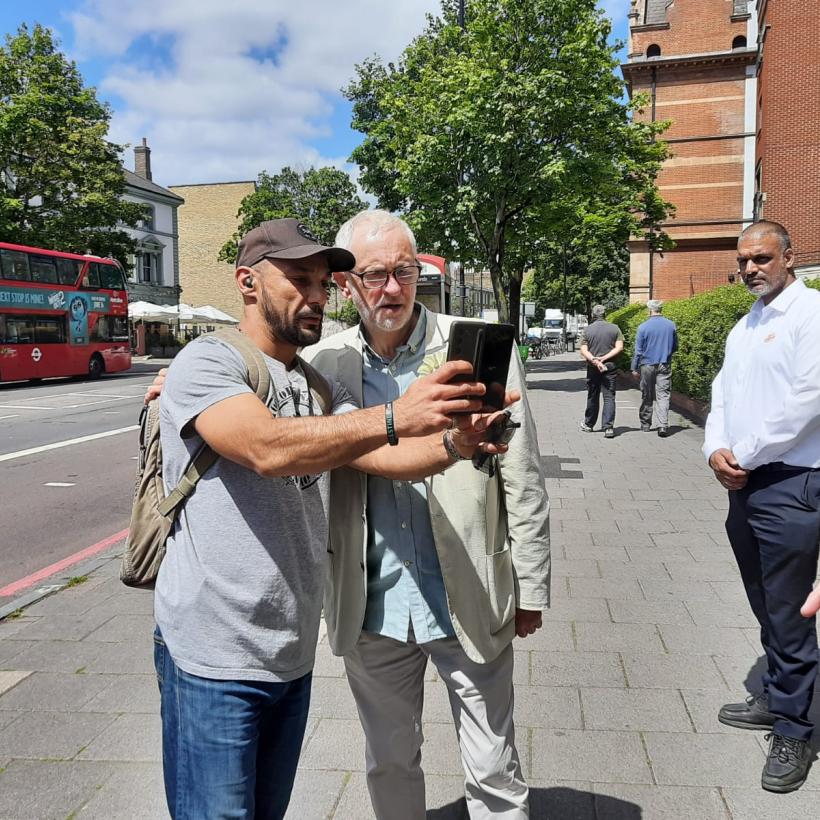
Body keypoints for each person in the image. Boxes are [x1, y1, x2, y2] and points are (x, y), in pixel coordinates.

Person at [152, 218, 505, 819]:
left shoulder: (312, 382)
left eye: (322, 281)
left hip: (288, 651)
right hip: (214, 654)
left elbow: (381, 458)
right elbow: (267, 448)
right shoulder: (206, 362)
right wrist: (394, 413)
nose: (316, 296)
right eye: (298, 280)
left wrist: (457, 446)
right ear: (246, 282)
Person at [303, 209, 550, 819]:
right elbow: (273, 425)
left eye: (405, 272)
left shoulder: (472, 347)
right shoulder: (325, 364)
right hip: (371, 604)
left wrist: (531, 586)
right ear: (345, 284)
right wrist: (187, 380)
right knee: (389, 761)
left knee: (494, 766)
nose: (392, 288)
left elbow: (521, 475)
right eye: (375, 274)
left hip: (469, 590)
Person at [703, 220, 820, 794]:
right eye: (743, 261)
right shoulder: (744, 326)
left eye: (761, 258)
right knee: (763, 601)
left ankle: (797, 729)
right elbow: (722, 395)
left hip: (792, 483)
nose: (750, 269)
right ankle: (778, 697)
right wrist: (713, 451)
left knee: (790, 612)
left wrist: (741, 453)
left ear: (789, 257)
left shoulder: (811, 316)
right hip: (743, 485)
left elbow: (807, 401)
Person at [630, 299, 678, 437]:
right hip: (665, 363)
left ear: (650, 310)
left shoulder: (643, 327)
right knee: (663, 395)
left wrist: (634, 367)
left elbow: (638, 350)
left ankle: (645, 424)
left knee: (647, 394)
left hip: (647, 364)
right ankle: (662, 425)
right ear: (660, 309)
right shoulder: (671, 325)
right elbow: (675, 346)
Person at [578, 304, 624, 438]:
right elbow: (619, 347)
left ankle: (589, 424)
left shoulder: (588, 330)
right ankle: (608, 427)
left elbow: (584, 349)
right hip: (609, 366)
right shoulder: (615, 328)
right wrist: (604, 358)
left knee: (593, 395)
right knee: (609, 396)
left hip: (593, 367)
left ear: (593, 315)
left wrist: (595, 360)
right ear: (605, 314)